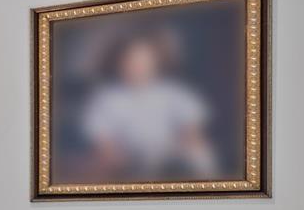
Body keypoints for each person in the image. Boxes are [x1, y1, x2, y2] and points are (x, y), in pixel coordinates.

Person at [79, 28, 219, 181]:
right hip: (130, 158)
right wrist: (115, 156)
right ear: (119, 63)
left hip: (172, 152)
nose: (138, 66)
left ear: (156, 63)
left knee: (201, 155)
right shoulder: (106, 97)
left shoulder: (172, 91)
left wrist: (188, 143)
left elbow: (192, 127)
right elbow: (103, 141)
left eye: (145, 61)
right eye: (131, 61)